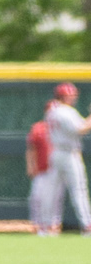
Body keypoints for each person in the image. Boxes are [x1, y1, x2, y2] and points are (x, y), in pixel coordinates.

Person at [44, 82, 88, 235]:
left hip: (56, 153)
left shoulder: (52, 111)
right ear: (63, 96)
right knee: (79, 190)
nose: (74, 97)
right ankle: (87, 225)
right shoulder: (66, 111)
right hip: (69, 154)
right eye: (71, 94)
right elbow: (80, 129)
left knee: (54, 191)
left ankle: (50, 225)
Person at [27, 113, 58, 235]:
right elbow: (31, 148)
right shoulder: (38, 128)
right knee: (36, 197)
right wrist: (31, 165)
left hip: (56, 170)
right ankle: (37, 224)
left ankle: (54, 224)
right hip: (41, 170)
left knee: (56, 198)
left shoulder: (61, 128)